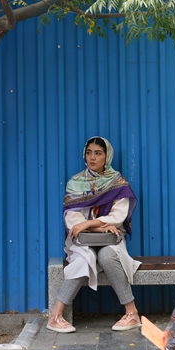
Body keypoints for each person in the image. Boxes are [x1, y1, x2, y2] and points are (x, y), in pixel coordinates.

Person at [47, 136, 142, 333]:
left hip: (111, 238)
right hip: (82, 240)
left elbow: (118, 216)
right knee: (84, 258)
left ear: (107, 156)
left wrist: (89, 223)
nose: (92, 157)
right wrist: (98, 227)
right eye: (89, 152)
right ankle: (55, 316)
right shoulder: (76, 183)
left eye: (98, 153)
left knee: (108, 256)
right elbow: (73, 222)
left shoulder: (118, 183)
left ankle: (132, 313)